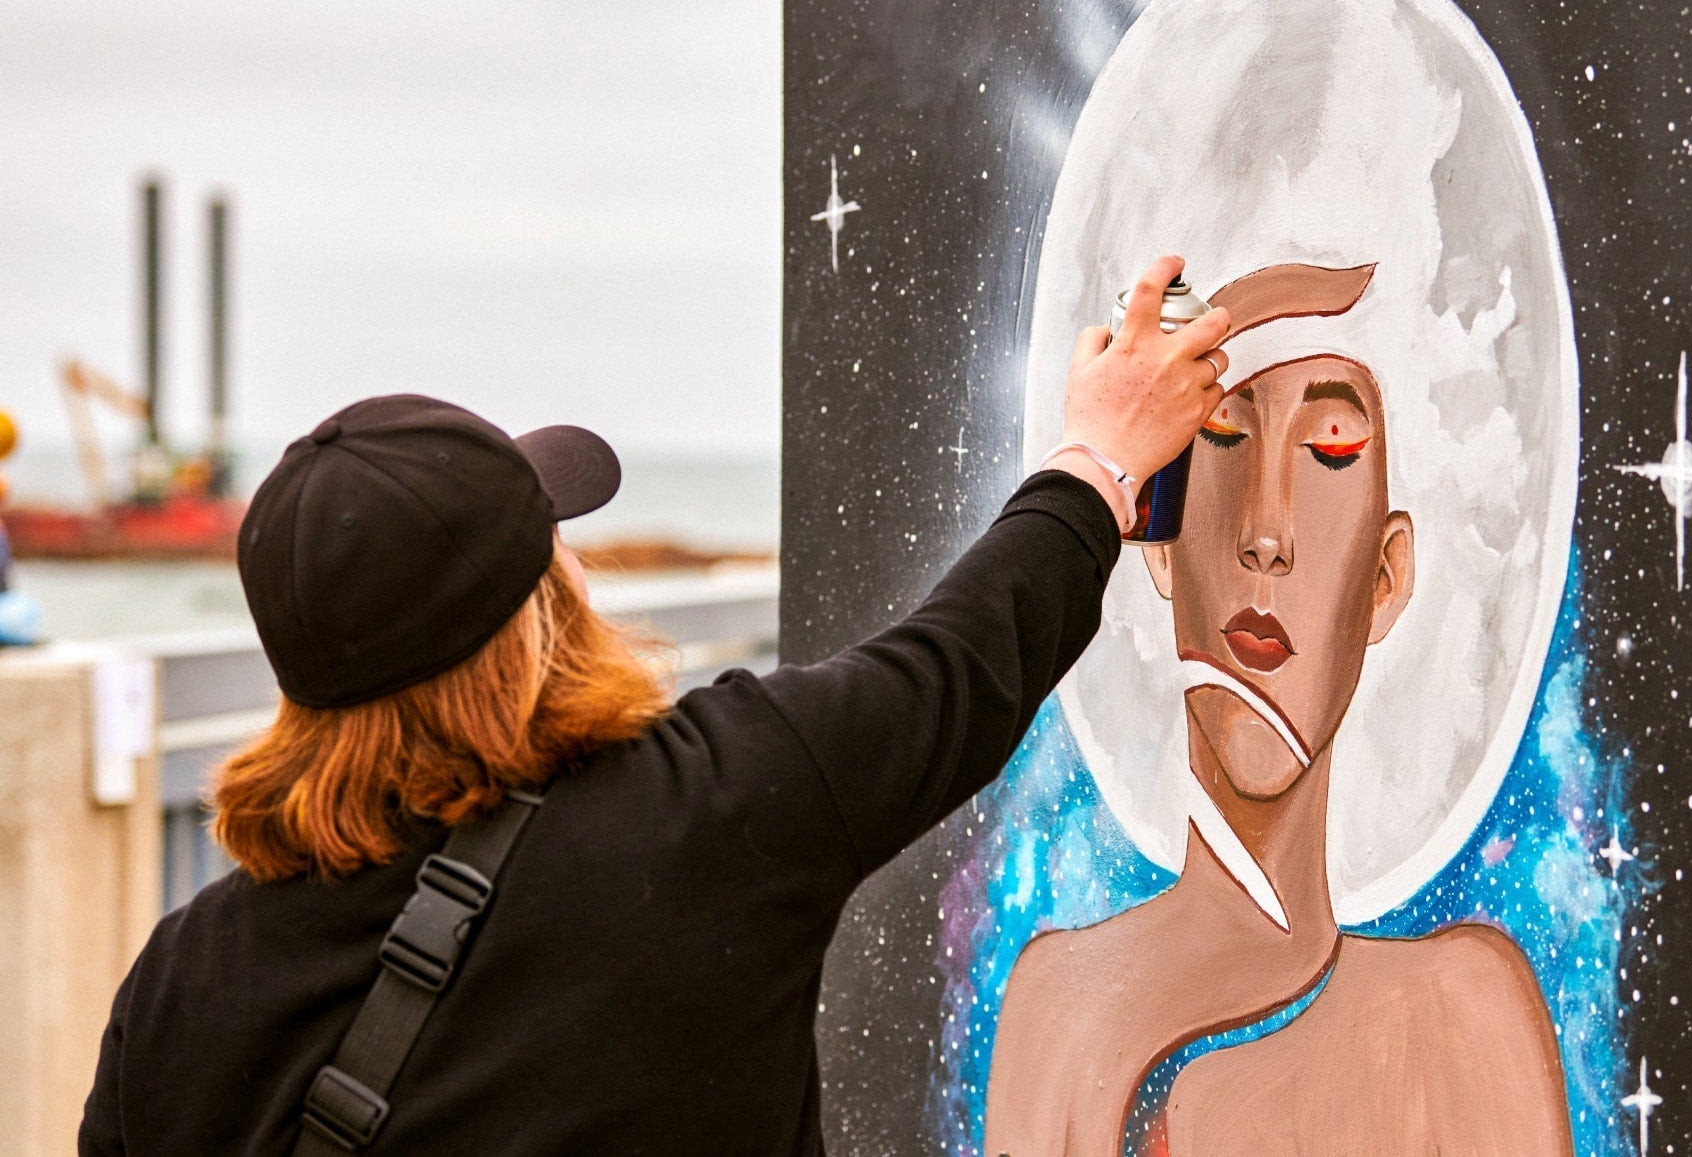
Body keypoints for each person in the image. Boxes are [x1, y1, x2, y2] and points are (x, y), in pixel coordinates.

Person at [77, 255, 1231, 1156]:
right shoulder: (706, 815)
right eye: (552, 548)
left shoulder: (179, 985)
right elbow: (964, 661)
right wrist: (1102, 460)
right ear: (532, 622)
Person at [989, 263, 1569, 1155]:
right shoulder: (1055, 1005)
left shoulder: (1462, 1016)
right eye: (1221, 432)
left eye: (1331, 447)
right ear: (1156, 541)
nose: (1267, 530)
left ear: (1387, 575)